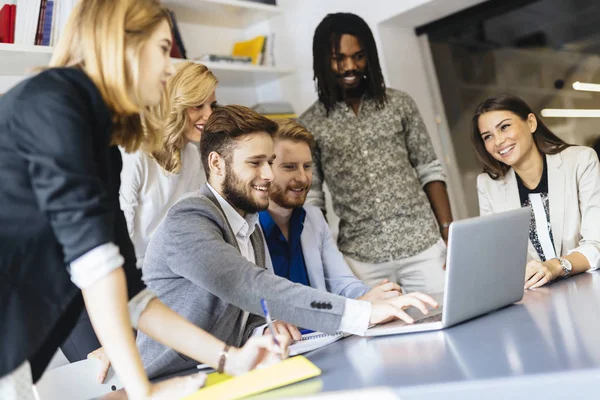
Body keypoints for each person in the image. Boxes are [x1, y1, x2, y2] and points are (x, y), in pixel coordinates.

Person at [0, 2, 286, 399]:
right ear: (123, 44)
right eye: (163, 49)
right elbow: (95, 267)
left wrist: (229, 359)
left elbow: (131, 292)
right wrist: (142, 391)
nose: (171, 68)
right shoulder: (54, 104)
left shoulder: (105, 149)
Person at [138, 105, 438, 378]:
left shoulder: (247, 222)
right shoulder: (189, 218)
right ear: (217, 164)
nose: (268, 175)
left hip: (221, 372)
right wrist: (362, 313)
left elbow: (243, 315)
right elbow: (248, 285)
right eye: (255, 163)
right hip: (168, 379)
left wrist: (264, 330)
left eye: (270, 162)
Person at [298, 13, 451, 294]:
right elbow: (313, 198)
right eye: (338, 59)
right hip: (361, 260)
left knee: (448, 322)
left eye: (358, 56)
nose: (350, 66)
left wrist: (448, 231)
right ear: (322, 61)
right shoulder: (309, 124)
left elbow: (429, 169)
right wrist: (324, 259)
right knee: (382, 336)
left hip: (423, 245)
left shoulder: (399, 104)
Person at [259, 119, 402, 300]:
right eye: (289, 167)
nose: (303, 178)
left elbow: (343, 283)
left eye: (307, 166)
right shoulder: (247, 228)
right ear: (266, 169)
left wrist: (375, 295)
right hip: (279, 328)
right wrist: (358, 307)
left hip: (323, 327)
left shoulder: (314, 218)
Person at [472, 94, 600, 289]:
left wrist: (556, 266)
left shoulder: (580, 161)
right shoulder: (488, 185)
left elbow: (597, 243)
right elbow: (498, 258)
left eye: (504, 127)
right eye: (487, 136)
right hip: (535, 297)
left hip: (589, 285)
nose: (497, 141)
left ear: (531, 123)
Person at [120, 61, 216, 269]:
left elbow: (193, 224)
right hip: (134, 271)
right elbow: (121, 231)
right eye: (198, 105)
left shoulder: (195, 156)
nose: (209, 115)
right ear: (175, 105)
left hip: (174, 268)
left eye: (212, 105)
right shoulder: (136, 154)